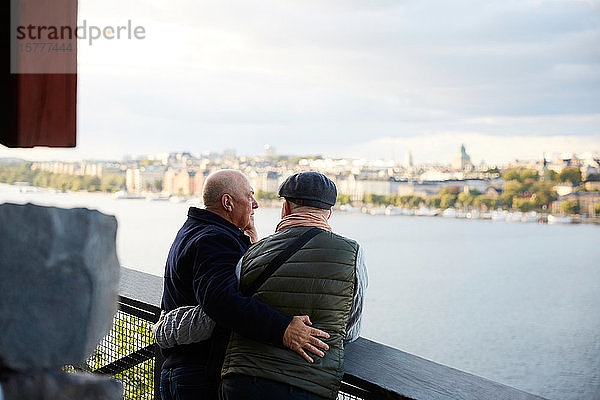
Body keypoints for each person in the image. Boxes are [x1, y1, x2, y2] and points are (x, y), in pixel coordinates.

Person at [155, 171, 367, 400]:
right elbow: (221, 303)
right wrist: (284, 329)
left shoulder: (196, 230)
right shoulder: (215, 239)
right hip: (199, 372)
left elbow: (234, 297)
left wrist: (253, 249)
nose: (255, 204)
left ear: (285, 208)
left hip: (226, 378)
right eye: (250, 196)